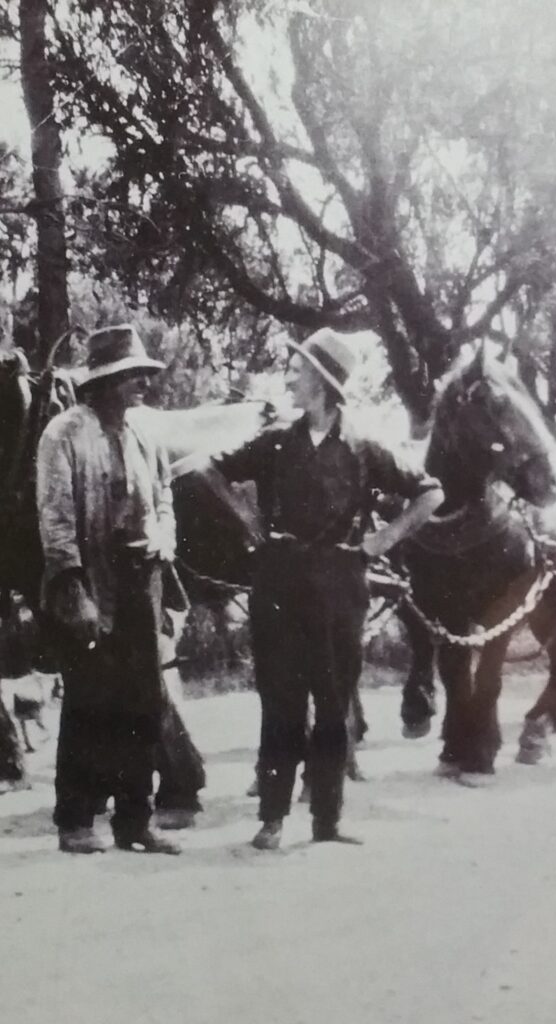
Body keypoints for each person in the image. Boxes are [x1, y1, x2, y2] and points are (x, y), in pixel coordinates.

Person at [193, 328, 443, 849]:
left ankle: (327, 820)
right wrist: (247, 519)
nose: (291, 377)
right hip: (278, 581)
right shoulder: (276, 440)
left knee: (332, 705)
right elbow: (209, 469)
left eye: (300, 371)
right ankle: (272, 819)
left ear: (324, 386)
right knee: (279, 701)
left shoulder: (364, 447)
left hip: (340, 585)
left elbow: (429, 491)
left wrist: (384, 538)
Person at [36, 324, 181, 854]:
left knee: (144, 700)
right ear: (103, 381)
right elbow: (55, 520)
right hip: (88, 581)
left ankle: (135, 822)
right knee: (89, 702)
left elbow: (164, 496)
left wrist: (163, 537)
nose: (141, 383)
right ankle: (74, 821)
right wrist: (75, 592)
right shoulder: (63, 434)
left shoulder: (144, 433)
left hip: (142, 581)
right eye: (130, 376)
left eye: (143, 374)